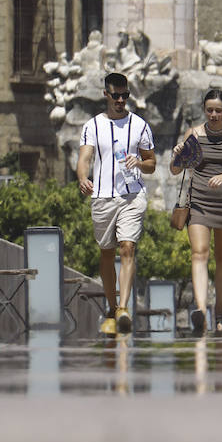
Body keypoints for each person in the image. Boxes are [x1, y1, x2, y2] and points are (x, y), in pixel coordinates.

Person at [77, 72, 156, 335]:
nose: (121, 100)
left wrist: (140, 163)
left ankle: (123, 308)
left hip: (132, 196)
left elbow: (152, 163)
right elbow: (85, 157)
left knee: (127, 247)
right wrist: (81, 178)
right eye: (116, 95)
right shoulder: (92, 126)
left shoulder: (140, 125)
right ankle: (111, 309)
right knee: (106, 252)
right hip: (102, 196)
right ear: (106, 95)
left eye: (125, 96)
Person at [171, 88, 222, 333]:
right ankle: (202, 310)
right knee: (199, 252)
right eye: (209, 110)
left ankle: (219, 311)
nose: (213, 114)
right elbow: (176, 170)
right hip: (199, 202)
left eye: (218, 110)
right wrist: (177, 156)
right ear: (204, 110)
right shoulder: (193, 134)